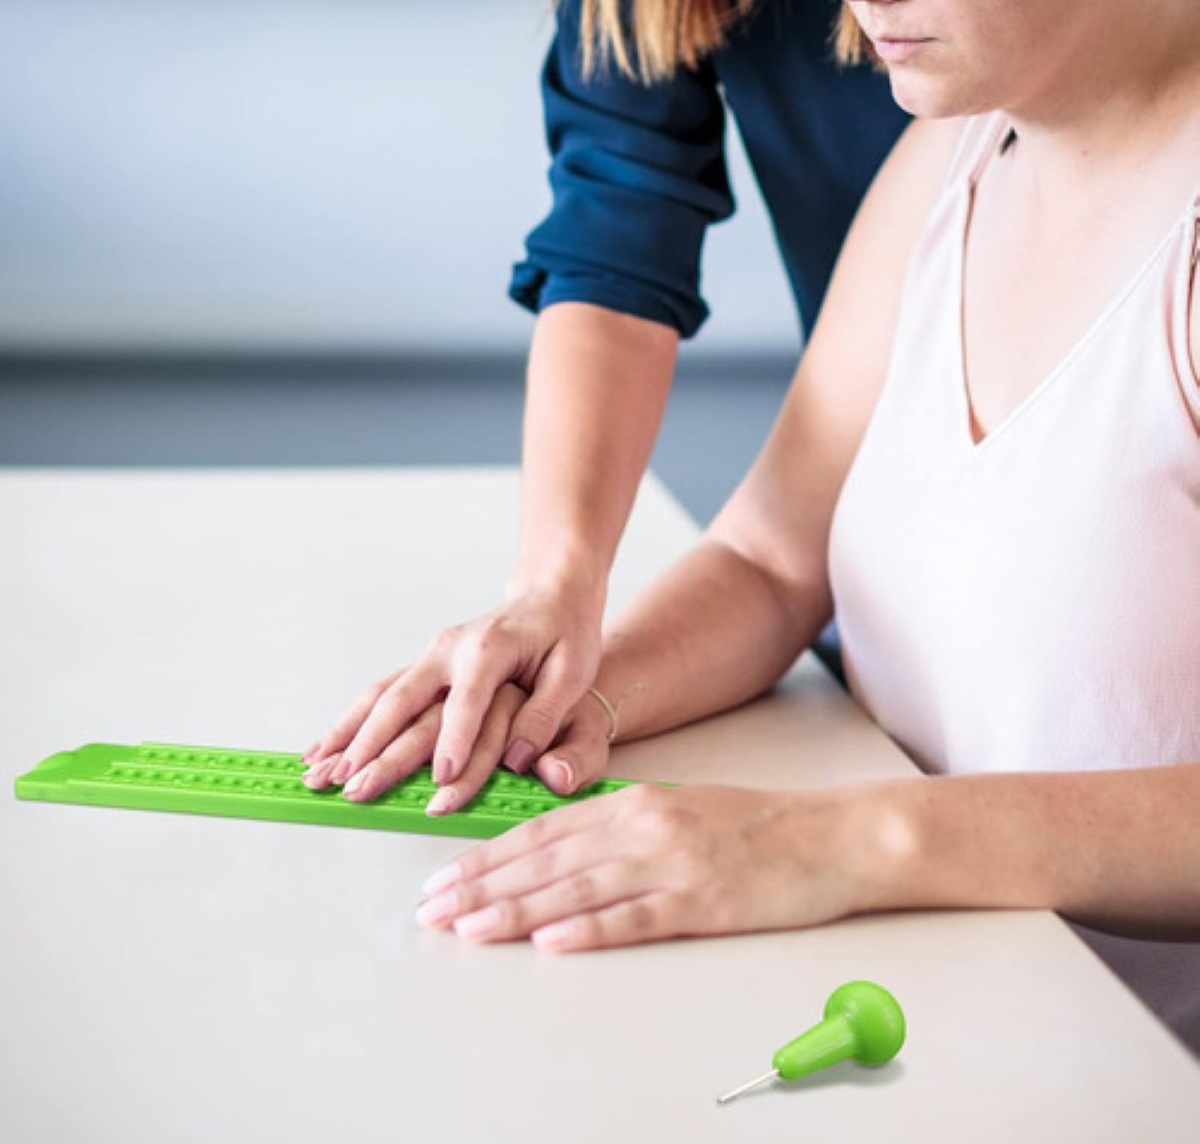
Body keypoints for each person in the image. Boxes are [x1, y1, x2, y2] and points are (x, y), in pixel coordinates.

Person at [328, 0, 1200, 1049]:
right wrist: (574, 695)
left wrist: (847, 840)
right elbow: (771, 557)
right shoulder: (947, 156)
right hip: (938, 1018)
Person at [301, 0, 909, 809]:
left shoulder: (977, 153)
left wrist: (864, 840)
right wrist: (558, 663)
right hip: (886, 567)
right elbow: (776, 562)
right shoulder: (921, 208)